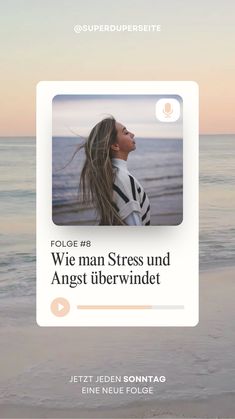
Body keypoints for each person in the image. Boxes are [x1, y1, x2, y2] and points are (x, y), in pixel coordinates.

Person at [78, 116, 150, 225]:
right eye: (126, 133)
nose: (132, 134)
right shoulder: (123, 180)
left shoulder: (114, 176)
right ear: (115, 146)